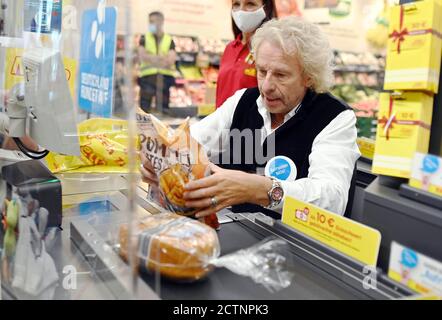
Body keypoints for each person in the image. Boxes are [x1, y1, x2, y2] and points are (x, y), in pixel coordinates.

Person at [141, 17, 360, 220]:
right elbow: (193, 141)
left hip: (298, 248)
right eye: (262, 71)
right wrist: (163, 159)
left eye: (281, 75)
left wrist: (261, 189)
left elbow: (332, 200)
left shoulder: (335, 118)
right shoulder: (244, 101)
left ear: (309, 77)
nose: (266, 86)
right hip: (236, 234)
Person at [215, 0, 276, 108]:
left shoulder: (271, 50)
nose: (241, 11)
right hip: (223, 123)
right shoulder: (230, 48)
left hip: (252, 123)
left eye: (250, 4)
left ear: (266, 8)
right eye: (236, 4)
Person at [137, 11, 177, 114]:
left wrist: (150, 57)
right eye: (149, 22)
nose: (150, 24)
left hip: (164, 80)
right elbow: (142, 56)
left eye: (153, 21)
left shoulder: (169, 39)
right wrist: (161, 58)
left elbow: (170, 60)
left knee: (163, 112)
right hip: (147, 79)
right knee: (143, 112)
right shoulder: (144, 38)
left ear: (161, 22)